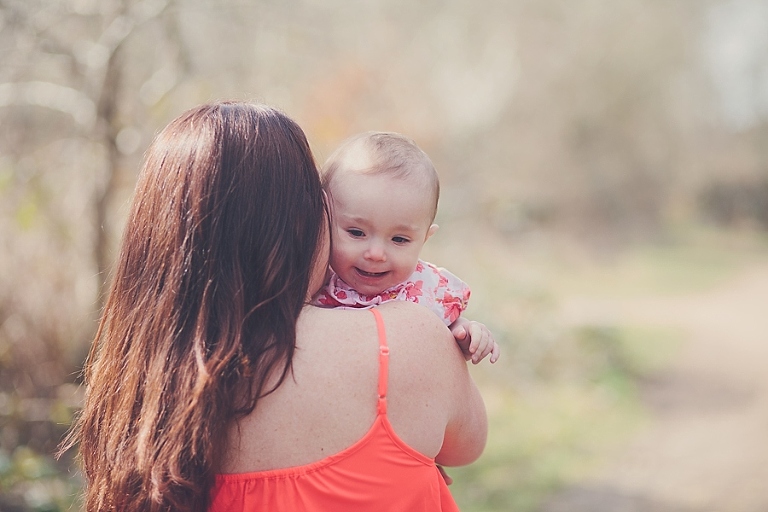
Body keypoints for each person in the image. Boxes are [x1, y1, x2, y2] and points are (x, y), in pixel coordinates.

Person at [60, 101, 487, 511]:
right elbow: (467, 444)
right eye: (347, 225)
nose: (372, 252)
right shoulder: (407, 338)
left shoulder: (138, 392)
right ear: (296, 220)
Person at [313, 131, 500, 364]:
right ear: (324, 222)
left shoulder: (425, 289)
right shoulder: (316, 284)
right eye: (357, 233)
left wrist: (466, 334)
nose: (376, 254)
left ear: (425, 238)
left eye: (399, 240)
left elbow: (450, 327)